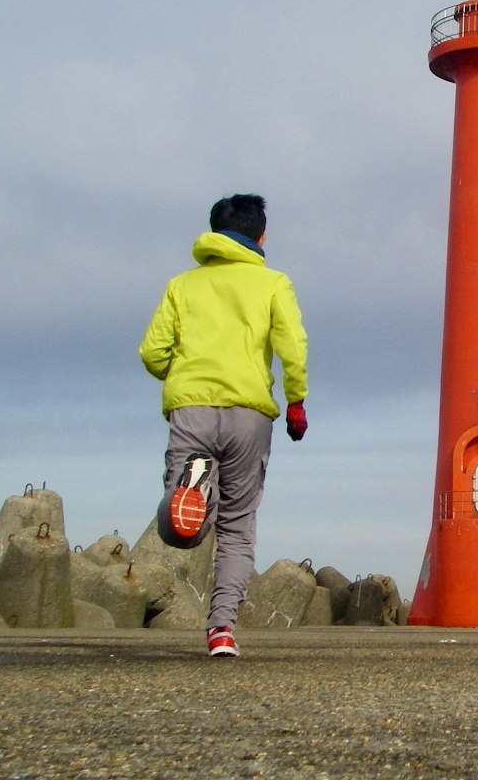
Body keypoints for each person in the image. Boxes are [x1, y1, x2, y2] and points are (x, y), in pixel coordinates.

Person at [138, 194, 309, 657]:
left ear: (214, 231)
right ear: (262, 236)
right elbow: (292, 345)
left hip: (190, 408)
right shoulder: (273, 283)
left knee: (181, 530)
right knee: (238, 527)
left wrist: (179, 373)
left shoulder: (182, 286)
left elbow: (152, 352)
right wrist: (296, 401)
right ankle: (222, 631)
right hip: (249, 414)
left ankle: (195, 493)